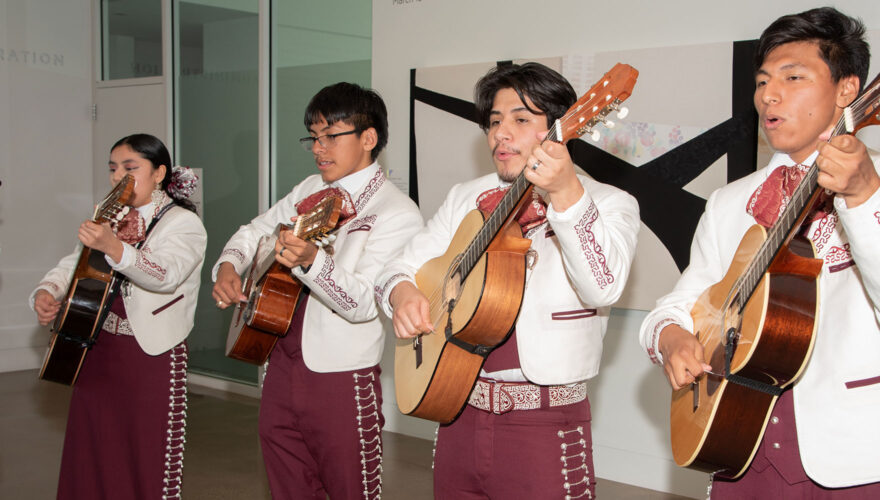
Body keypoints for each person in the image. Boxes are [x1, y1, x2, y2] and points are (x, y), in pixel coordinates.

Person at [639, 7, 880, 498]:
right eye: (763, 79)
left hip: (859, 460)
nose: (769, 94)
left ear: (848, 90)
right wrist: (673, 337)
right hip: (737, 445)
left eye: (793, 77)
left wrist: (866, 195)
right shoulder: (730, 202)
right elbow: (682, 301)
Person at [376, 62, 641, 499]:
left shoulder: (608, 203)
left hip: (544, 423)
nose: (501, 133)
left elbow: (603, 286)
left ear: (560, 129)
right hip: (456, 406)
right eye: (494, 121)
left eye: (521, 119)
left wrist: (566, 195)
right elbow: (397, 268)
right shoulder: (467, 196)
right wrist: (402, 293)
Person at [211, 82, 422, 499]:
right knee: (287, 486)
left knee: (350, 490)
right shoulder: (309, 189)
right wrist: (228, 266)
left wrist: (311, 260)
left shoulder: (396, 212)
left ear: (368, 138)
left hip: (340, 377)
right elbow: (254, 231)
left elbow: (363, 303)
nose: (318, 148)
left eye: (330, 136)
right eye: (313, 136)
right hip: (279, 363)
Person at [31, 133, 206, 499]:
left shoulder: (183, 223)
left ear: (159, 173)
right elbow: (74, 262)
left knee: (144, 453)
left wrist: (114, 247)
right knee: (93, 448)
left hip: (150, 354)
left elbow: (165, 275)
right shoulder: (108, 215)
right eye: (113, 169)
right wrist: (48, 291)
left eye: (130, 168)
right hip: (96, 348)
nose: (118, 177)